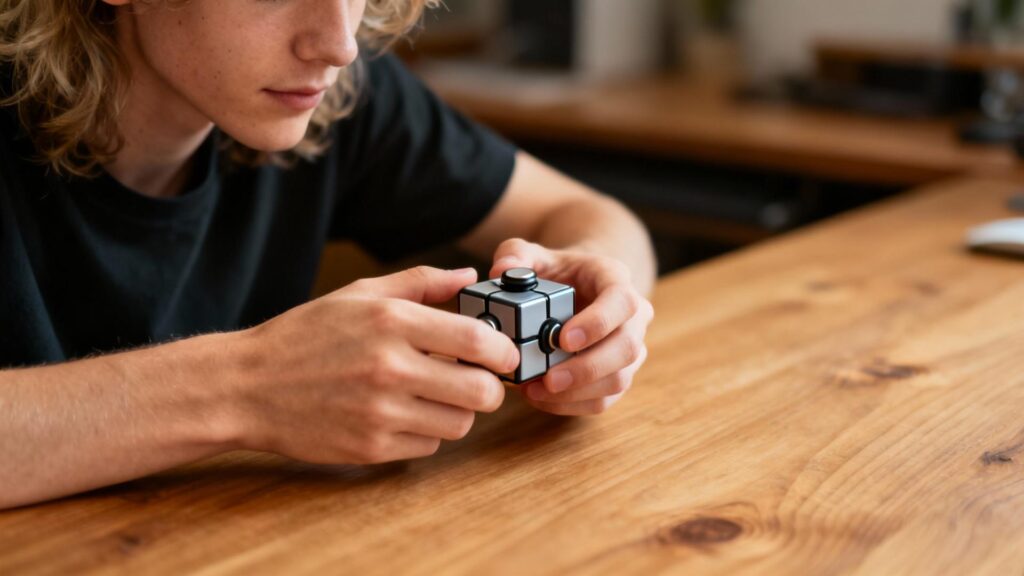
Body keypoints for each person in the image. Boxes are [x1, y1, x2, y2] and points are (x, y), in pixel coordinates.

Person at [0, 0, 656, 509]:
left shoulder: (335, 94)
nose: (338, 43)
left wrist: (597, 299)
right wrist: (249, 387)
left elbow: (595, 219)